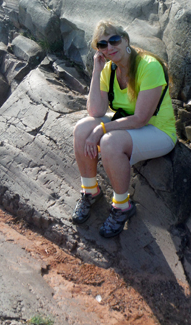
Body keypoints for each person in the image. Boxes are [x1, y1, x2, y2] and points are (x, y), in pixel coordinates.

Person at [72, 21, 177, 238]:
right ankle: (90, 191)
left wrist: (102, 129)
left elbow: (140, 119)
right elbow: (95, 110)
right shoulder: (108, 69)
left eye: (114, 40)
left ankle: (122, 206)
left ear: (126, 40)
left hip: (157, 131)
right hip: (127, 124)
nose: (109, 47)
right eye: (102, 44)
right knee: (82, 129)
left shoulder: (149, 66)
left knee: (109, 141)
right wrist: (97, 70)